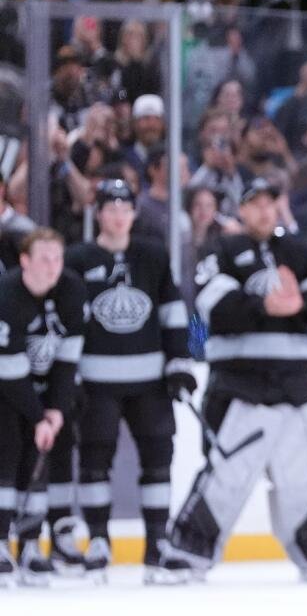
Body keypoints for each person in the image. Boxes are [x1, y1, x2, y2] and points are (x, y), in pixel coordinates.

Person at [165, 179, 307, 580]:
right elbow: (211, 306)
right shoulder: (221, 250)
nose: (265, 211)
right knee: (226, 475)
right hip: (239, 384)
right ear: (241, 210)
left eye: (271, 203)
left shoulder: (299, 253)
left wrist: (297, 306)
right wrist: (268, 305)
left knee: (302, 475)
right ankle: (187, 554)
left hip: (294, 386)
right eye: (255, 204)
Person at [64, 180, 195, 584]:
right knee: (94, 460)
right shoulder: (78, 258)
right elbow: (69, 319)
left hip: (150, 382)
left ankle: (156, 541)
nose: (118, 215)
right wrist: (69, 375)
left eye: (125, 207)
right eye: (110, 207)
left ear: (134, 213)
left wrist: (180, 363)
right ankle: (99, 538)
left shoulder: (152, 256)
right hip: (97, 382)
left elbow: (173, 312)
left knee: (158, 460)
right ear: (98, 213)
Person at [0, 228, 86, 587]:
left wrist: (55, 412)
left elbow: (67, 361)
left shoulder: (71, 289)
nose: (53, 267)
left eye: (57, 258)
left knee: (48, 456)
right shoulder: (6, 294)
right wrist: (39, 417)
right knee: (8, 453)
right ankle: (2, 540)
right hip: (6, 389)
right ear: (24, 261)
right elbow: (10, 369)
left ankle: (32, 543)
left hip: (48, 391)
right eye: (44, 259)